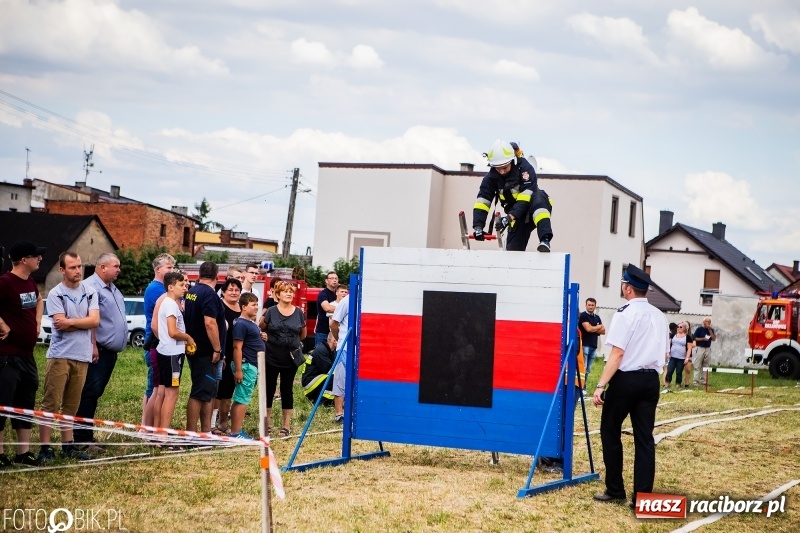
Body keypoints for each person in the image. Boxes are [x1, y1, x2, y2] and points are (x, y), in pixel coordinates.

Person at [592, 264, 668, 507]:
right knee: (644, 438)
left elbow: (617, 354)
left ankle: (615, 489)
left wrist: (601, 385)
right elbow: (664, 355)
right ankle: (643, 496)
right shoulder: (660, 315)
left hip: (627, 378)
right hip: (650, 381)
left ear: (627, 289)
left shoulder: (624, 313)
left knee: (610, 430)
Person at [38, 252, 100, 464]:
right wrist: (82, 321)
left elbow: (94, 321)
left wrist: (73, 322)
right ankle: (44, 447)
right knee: (51, 403)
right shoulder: (56, 294)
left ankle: (68, 445)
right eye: (73, 267)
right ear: (62, 270)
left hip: (81, 355)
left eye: (80, 266)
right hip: (60, 355)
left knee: (72, 404)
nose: (78, 271)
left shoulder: (90, 291)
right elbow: (59, 323)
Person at [74, 253, 127, 453]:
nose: (119, 269)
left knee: (95, 394)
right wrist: (93, 345)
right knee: (89, 393)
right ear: (102, 267)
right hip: (98, 351)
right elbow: (89, 320)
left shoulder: (112, 288)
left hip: (109, 353)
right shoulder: (90, 287)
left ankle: (87, 435)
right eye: (116, 266)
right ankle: (81, 438)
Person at [0, 241, 46, 468]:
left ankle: (23, 453)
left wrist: (37, 321)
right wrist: (3, 325)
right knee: (3, 403)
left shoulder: (29, 282)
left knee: (25, 402)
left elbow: (38, 301)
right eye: (36, 255)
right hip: (7, 355)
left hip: (27, 355)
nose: (40, 259)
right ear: (23, 260)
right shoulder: (5, 282)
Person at [472, 139, 553, 252]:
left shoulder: (525, 169)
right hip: (517, 217)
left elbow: (525, 198)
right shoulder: (490, 178)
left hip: (531, 207)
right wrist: (478, 226)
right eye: (498, 168)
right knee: (512, 252)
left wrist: (509, 218)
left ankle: (545, 240)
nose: (501, 172)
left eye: (505, 167)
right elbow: (482, 201)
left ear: (513, 160)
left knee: (539, 198)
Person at [183, 261, 226, 433]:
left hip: (194, 348)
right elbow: (210, 323)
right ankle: (191, 433)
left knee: (207, 391)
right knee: (199, 392)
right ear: (217, 276)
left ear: (199, 275)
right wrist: (217, 349)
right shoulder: (210, 295)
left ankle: (206, 431)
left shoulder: (192, 292)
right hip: (205, 351)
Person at [262, 281, 306, 436]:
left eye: (291, 291)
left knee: (287, 390)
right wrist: (265, 336)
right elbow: (261, 327)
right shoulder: (271, 311)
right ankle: (266, 424)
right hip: (271, 355)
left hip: (291, 357)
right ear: (278, 294)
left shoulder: (299, 313)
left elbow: (303, 334)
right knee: (268, 389)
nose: (289, 294)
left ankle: (286, 426)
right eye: (285, 291)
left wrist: (292, 342)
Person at [155, 272, 195, 432]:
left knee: (164, 392)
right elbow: (173, 331)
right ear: (171, 287)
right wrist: (188, 338)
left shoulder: (168, 302)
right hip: (172, 354)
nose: (184, 287)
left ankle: (158, 432)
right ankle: (164, 434)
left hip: (167, 351)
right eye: (181, 285)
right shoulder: (171, 304)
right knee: (172, 395)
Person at [142, 253, 175, 427]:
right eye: (168, 268)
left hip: (159, 343)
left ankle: (150, 426)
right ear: (158, 269)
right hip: (156, 344)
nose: (172, 271)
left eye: (173, 267)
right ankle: (146, 427)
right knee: (153, 388)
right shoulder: (156, 289)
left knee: (157, 387)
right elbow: (159, 321)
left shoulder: (161, 288)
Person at [229, 292, 265, 439]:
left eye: (257, 304)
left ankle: (236, 431)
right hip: (246, 365)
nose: (256, 307)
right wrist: (239, 369)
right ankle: (236, 433)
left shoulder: (250, 323)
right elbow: (237, 347)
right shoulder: (241, 324)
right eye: (253, 305)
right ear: (243, 307)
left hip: (252, 365)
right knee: (242, 399)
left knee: (242, 398)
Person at [212, 278, 242, 434]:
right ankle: (212, 423)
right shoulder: (219, 307)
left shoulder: (241, 309)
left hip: (236, 355)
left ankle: (223, 423)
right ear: (223, 292)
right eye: (230, 289)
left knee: (228, 392)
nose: (234, 292)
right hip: (221, 354)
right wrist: (219, 352)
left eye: (237, 290)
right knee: (217, 391)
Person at [302, 332, 337, 406]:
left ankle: (329, 400)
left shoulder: (330, 351)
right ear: (334, 340)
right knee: (333, 377)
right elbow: (328, 370)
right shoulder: (321, 350)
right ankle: (323, 402)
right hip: (309, 382)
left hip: (316, 379)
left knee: (334, 376)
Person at [330, 294, 350, 423]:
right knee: (340, 379)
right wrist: (339, 339)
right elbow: (333, 324)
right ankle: (339, 413)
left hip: (363, 348)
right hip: (345, 347)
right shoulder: (347, 300)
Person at [578, 297, 605, 390]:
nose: (591, 307)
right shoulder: (583, 316)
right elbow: (588, 329)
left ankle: (584, 387)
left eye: (592, 305)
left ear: (595, 306)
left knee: (588, 369)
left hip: (594, 345)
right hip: (585, 344)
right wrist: (598, 327)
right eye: (589, 305)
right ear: (586, 305)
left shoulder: (597, 317)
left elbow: (603, 331)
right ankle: (581, 387)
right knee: (584, 367)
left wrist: (593, 328)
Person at [662, 322, 693, 393]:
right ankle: (666, 385)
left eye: (681, 327)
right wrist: (667, 353)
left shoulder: (688, 337)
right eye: (678, 327)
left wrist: (687, 358)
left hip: (681, 358)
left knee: (679, 372)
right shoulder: (673, 335)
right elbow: (668, 345)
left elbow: (689, 349)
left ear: (684, 328)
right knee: (669, 371)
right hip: (673, 357)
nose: (679, 328)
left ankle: (677, 385)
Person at [314, 271, 339, 346]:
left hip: (335, 331)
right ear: (326, 281)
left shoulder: (338, 295)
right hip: (323, 332)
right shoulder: (323, 294)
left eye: (336, 278)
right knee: (321, 355)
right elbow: (327, 308)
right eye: (331, 278)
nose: (334, 280)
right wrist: (342, 309)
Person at [692, 317, 716, 386]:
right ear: (703, 322)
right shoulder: (699, 329)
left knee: (706, 365)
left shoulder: (711, 330)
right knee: (697, 365)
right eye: (706, 322)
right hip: (700, 348)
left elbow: (713, 338)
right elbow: (694, 338)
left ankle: (704, 381)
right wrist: (702, 339)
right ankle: (695, 381)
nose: (708, 323)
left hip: (707, 348)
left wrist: (710, 330)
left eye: (709, 322)